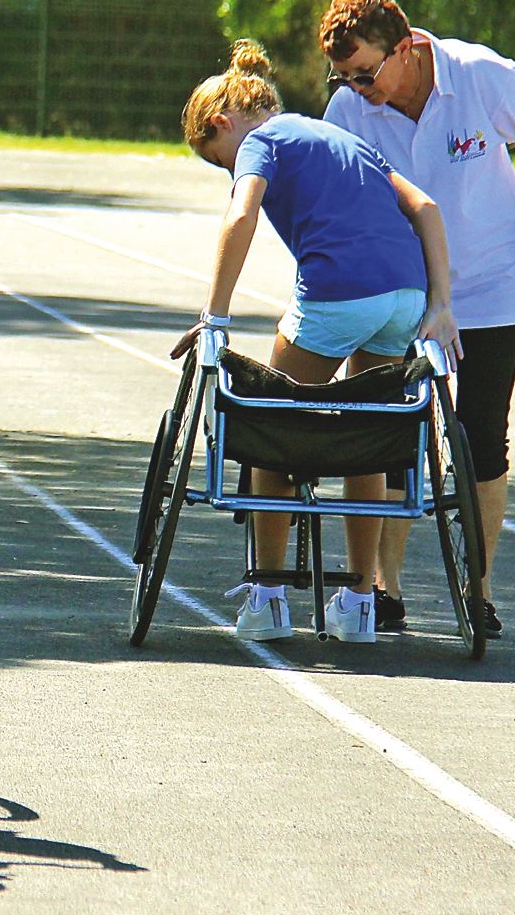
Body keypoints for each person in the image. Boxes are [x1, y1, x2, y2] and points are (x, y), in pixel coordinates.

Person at [174, 40, 459, 644]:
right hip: (406, 294)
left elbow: (241, 215)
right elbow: (427, 207)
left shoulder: (260, 141)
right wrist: (440, 307)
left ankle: (269, 596)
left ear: (223, 125)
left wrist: (214, 314)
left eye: (218, 160)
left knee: (274, 432)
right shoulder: (343, 138)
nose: (229, 169)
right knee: (367, 437)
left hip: (339, 292)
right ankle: (359, 603)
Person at [319, 0, 515, 638]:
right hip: (400, 290)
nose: (355, 88)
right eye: (342, 77)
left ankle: (477, 588)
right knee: (386, 430)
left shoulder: (473, 74)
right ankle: (384, 587)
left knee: (479, 435)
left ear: (404, 48)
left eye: (364, 73)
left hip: (492, 285)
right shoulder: (347, 111)